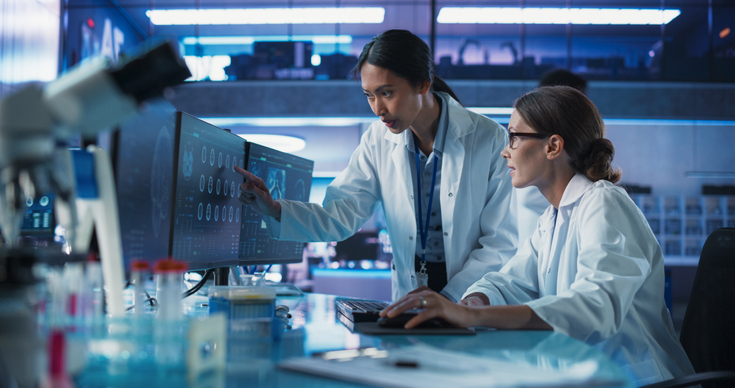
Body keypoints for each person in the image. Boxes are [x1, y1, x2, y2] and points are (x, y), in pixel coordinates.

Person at [381, 86, 694, 385]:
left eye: (515, 137)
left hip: (637, 378)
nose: (506, 150)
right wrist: (473, 300)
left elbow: (596, 306)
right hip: (587, 376)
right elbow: (511, 281)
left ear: (553, 146)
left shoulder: (604, 202)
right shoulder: (553, 218)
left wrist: (470, 314)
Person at [235, 29, 518, 302]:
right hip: (410, 300)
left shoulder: (488, 138)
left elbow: (500, 241)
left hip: (470, 297)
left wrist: (451, 297)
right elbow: (340, 214)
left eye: (387, 93)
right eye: (369, 95)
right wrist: (274, 209)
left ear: (423, 83)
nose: (377, 109)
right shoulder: (377, 140)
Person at [516, 69, 589, 244]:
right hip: (541, 234)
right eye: (582, 100)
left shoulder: (559, 137)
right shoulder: (536, 136)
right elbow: (530, 194)